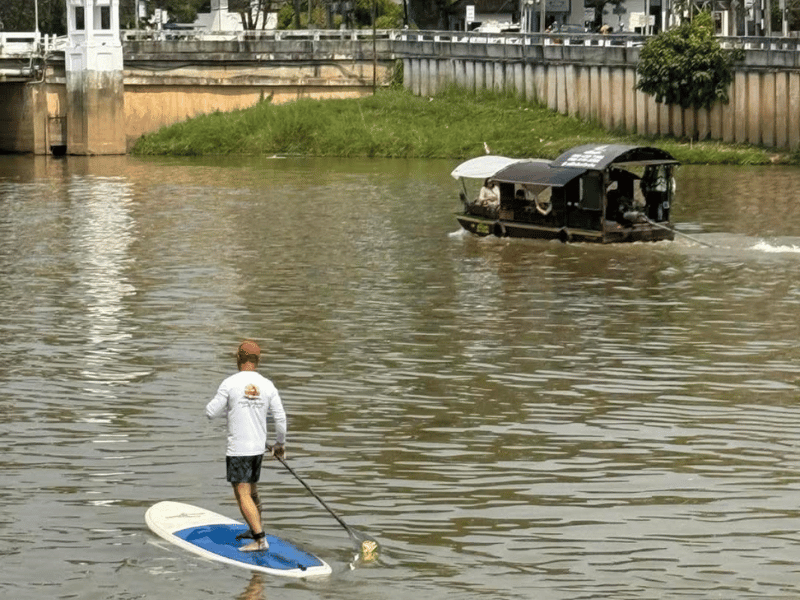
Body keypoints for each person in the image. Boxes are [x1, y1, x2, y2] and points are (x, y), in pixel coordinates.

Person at [206, 340, 287, 552]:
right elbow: (280, 419)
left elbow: (210, 412)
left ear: (238, 359)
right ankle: (254, 529)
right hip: (258, 449)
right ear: (258, 361)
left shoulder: (230, 383)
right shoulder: (268, 385)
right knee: (251, 489)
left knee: (242, 493)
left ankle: (260, 540)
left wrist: (230, 407)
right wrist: (279, 444)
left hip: (238, 449)